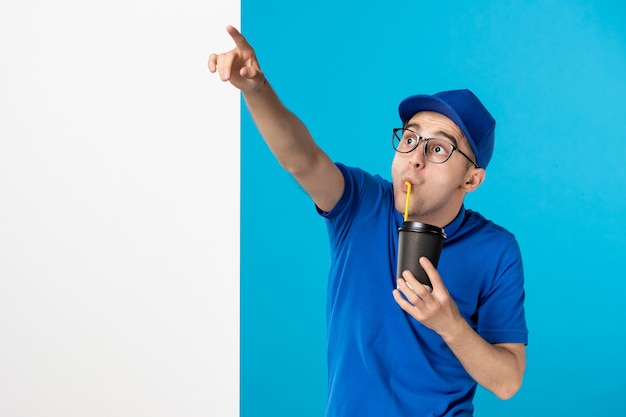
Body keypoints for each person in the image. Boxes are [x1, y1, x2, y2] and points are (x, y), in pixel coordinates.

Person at [209, 25, 528, 417]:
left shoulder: (496, 250)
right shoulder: (360, 204)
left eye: (439, 148)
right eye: (410, 139)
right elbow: (302, 159)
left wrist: (451, 326)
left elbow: (508, 380)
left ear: (471, 179)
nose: (415, 157)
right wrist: (257, 91)